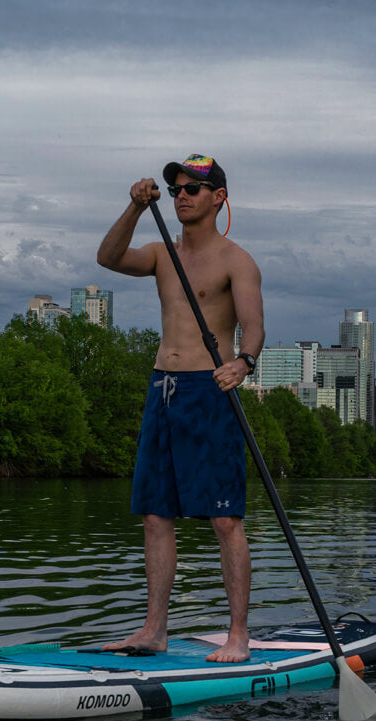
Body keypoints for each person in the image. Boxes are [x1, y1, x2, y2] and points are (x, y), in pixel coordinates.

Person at [96, 154, 264, 663]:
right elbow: (108, 257)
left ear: (219, 197)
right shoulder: (160, 254)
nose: (183, 195)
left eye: (194, 188)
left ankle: (238, 636)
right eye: (176, 190)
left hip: (208, 391)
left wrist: (244, 363)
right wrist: (132, 206)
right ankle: (153, 630)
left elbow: (254, 327)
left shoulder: (238, 261)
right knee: (154, 515)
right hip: (161, 388)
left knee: (225, 520)